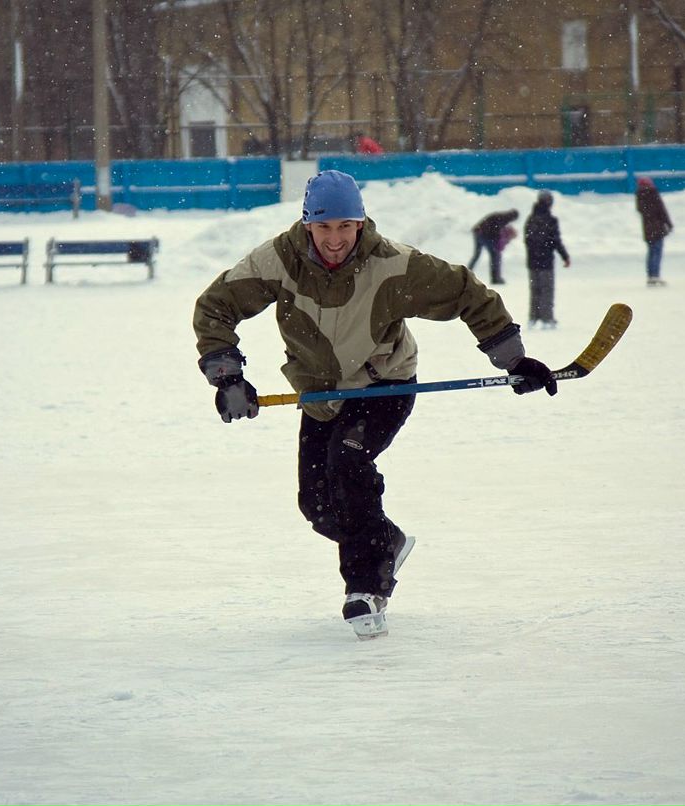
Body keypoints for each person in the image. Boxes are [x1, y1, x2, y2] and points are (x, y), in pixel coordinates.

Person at [192, 170, 558, 639]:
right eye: (324, 227)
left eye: (346, 226)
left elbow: (468, 293)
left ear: (361, 224)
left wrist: (514, 360)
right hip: (322, 396)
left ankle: (365, 588)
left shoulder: (394, 264)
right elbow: (216, 305)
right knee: (319, 506)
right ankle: (386, 540)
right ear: (307, 225)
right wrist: (228, 377)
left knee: (349, 462)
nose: (336, 239)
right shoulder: (278, 260)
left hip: (383, 387)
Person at [522, 191, 570, 328]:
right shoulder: (550, 220)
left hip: (532, 261)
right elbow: (555, 241)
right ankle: (547, 318)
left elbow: (527, 240)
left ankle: (533, 318)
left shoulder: (530, 219)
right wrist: (565, 256)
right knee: (547, 290)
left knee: (535, 290)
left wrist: (534, 253)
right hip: (546, 261)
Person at [635, 177, 673, 287]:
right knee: (657, 252)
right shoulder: (653, 194)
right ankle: (655, 275)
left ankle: (651, 275)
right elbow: (662, 210)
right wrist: (668, 224)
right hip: (658, 228)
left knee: (651, 252)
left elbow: (642, 211)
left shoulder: (640, 197)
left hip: (647, 229)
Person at [468, 209, 520, 285]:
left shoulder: (500, 216)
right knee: (495, 256)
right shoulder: (502, 219)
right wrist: (497, 242)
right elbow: (495, 231)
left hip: (478, 232)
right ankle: (495, 278)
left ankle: (467, 273)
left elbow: (493, 229)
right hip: (483, 234)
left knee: (477, 255)